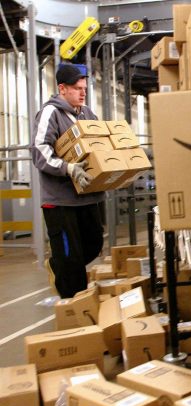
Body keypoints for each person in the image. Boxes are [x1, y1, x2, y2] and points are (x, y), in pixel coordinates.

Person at [30, 64, 104, 298]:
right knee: (70, 258)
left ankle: (57, 264)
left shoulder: (88, 114)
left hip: (87, 196)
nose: (83, 93)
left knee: (93, 245)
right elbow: (39, 150)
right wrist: (68, 168)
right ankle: (76, 310)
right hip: (60, 201)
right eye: (77, 88)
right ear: (62, 88)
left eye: (84, 88)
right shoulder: (51, 113)